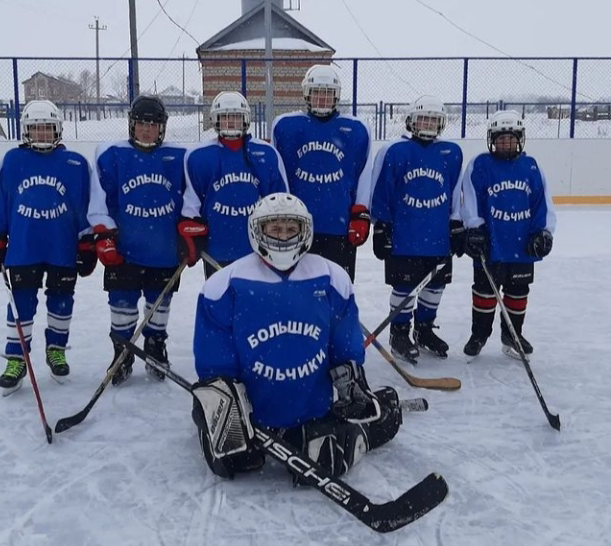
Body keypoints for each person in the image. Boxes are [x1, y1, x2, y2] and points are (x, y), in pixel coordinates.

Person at [188, 193, 403, 480]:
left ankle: (372, 422)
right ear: (257, 230)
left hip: (312, 410)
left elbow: (344, 344)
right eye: (275, 228)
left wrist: (350, 384)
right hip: (252, 415)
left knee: (326, 458)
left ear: (305, 231)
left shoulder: (332, 276)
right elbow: (214, 359)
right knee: (229, 462)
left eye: (291, 229)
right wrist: (227, 413)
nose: (283, 236)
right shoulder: (222, 286)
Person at [0, 99, 95, 393]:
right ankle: (16, 357)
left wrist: (86, 239)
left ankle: (56, 349)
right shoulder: (12, 160)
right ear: (26, 131)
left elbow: (85, 205)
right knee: (21, 304)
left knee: (62, 300)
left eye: (47, 129)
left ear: (58, 129)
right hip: (23, 246)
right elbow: (1, 199)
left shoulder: (76, 164)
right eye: (36, 129)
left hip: (62, 246)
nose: (42, 134)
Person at [87, 95, 186, 385]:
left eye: (153, 125)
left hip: (163, 249)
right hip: (124, 249)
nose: (147, 130)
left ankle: (155, 347)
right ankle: (122, 352)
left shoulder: (178, 157)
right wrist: (103, 234)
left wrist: (191, 230)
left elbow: (192, 198)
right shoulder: (112, 155)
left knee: (159, 302)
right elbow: (98, 200)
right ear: (132, 125)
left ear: (162, 128)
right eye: (142, 124)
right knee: (121, 303)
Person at [369, 95, 464, 363]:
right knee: (404, 286)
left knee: (435, 286)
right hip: (405, 236)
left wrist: (457, 223)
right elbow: (382, 190)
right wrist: (382, 227)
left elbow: (455, 192)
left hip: (437, 236)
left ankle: (424, 329)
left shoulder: (451, 152)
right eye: (424, 118)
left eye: (434, 120)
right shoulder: (395, 151)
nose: (429, 124)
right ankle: (399, 332)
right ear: (411, 121)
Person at [460, 110, 556, 359]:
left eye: (511, 138)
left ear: (520, 139)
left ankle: (512, 335)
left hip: (522, 243)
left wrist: (543, 232)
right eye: (501, 138)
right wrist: (475, 227)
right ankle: (479, 335)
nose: (506, 143)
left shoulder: (531, 166)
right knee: (484, 291)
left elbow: (541, 203)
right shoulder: (480, 164)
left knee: (518, 291)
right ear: (492, 139)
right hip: (491, 243)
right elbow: (470, 198)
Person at [271, 64, 372, 282]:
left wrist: (360, 213)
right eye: (317, 93)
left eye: (328, 93)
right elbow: (277, 174)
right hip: (296, 226)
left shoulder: (356, 129)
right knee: (297, 288)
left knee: (337, 287)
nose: (323, 99)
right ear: (307, 94)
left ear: (337, 96)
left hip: (339, 225)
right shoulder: (285, 126)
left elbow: (363, 175)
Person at [178, 91, 288, 277]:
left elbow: (282, 200)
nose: (230, 122)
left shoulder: (266, 153)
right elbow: (192, 202)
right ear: (215, 120)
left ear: (246, 119)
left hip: (257, 249)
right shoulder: (199, 157)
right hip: (217, 247)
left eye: (236, 117)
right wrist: (190, 227)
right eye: (224, 117)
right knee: (220, 300)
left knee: (255, 302)